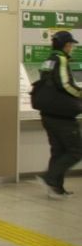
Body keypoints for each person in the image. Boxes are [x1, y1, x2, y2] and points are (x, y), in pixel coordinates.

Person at [35, 31, 82, 199]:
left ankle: (56, 188)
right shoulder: (61, 59)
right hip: (62, 115)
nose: (72, 48)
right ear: (65, 45)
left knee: (59, 151)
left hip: (48, 114)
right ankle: (49, 177)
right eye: (70, 44)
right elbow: (65, 84)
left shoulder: (48, 60)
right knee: (76, 151)